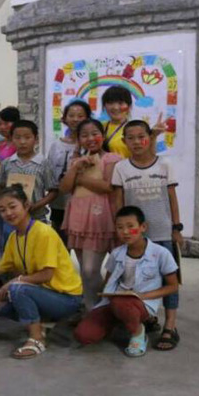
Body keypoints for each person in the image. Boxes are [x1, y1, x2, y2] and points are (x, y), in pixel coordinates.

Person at [0, 186, 83, 359]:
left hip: (67, 298)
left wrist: (13, 282)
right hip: (42, 292)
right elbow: (1, 268)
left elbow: (46, 275)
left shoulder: (43, 232)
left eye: (12, 206)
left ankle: (36, 339)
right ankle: (42, 323)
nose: (8, 213)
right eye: (2, 210)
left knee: (17, 288)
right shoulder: (14, 236)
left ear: (26, 205)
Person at [112, 120, 183, 351]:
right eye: (130, 138)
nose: (136, 142)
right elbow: (118, 202)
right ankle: (148, 317)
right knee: (137, 277)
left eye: (141, 136)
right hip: (135, 236)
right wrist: (119, 230)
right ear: (124, 141)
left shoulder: (164, 165)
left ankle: (170, 325)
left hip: (163, 232)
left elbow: (172, 198)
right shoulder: (121, 168)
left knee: (169, 279)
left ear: (149, 138)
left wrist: (176, 228)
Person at [74, 206, 179, 357]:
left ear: (143, 227)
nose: (125, 232)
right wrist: (102, 302)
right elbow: (109, 280)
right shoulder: (116, 253)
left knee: (122, 303)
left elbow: (173, 286)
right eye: (120, 227)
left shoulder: (161, 253)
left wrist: (143, 296)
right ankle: (122, 322)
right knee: (84, 335)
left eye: (131, 226)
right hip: (115, 301)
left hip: (141, 303)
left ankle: (138, 332)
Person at [59, 119, 122, 310]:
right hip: (77, 216)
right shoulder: (76, 161)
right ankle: (90, 308)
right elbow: (64, 188)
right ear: (78, 139)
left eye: (95, 133)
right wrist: (75, 167)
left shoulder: (111, 158)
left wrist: (80, 178)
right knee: (84, 271)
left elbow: (108, 186)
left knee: (90, 269)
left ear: (103, 135)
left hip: (99, 216)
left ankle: (102, 306)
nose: (90, 138)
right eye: (84, 135)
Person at [0, 120, 58, 249]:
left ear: (36, 139)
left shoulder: (43, 163)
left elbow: (53, 191)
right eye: (18, 138)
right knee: (13, 250)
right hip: (11, 218)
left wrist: (36, 205)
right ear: (12, 139)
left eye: (27, 137)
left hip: (36, 217)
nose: (22, 142)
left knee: (37, 250)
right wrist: (3, 203)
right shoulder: (7, 163)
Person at [47, 101, 91, 234]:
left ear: (88, 119)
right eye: (71, 115)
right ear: (64, 119)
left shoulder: (91, 144)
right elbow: (51, 174)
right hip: (59, 204)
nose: (75, 119)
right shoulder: (56, 145)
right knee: (60, 241)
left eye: (80, 116)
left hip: (84, 204)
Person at [100, 86, 133, 158]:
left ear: (129, 106)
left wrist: (153, 137)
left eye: (120, 103)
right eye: (110, 103)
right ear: (104, 105)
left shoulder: (134, 129)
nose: (115, 107)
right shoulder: (99, 127)